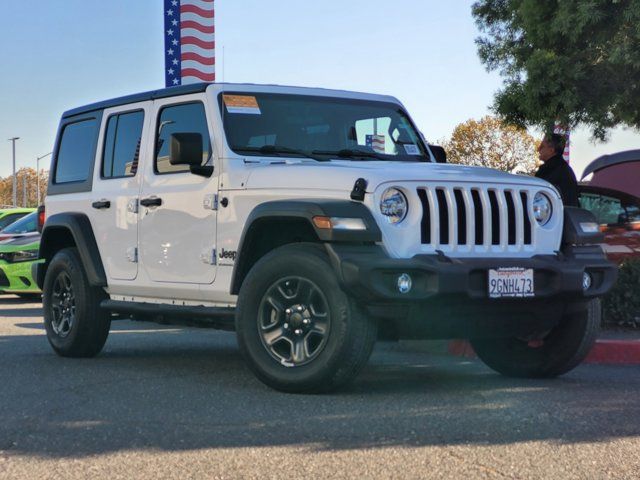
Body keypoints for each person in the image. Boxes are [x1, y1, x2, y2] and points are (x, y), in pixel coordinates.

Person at [535, 133, 579, 207]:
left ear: (551, 150)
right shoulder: (565, 169)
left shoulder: (549, 170)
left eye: (542, 146)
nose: (538, 149)